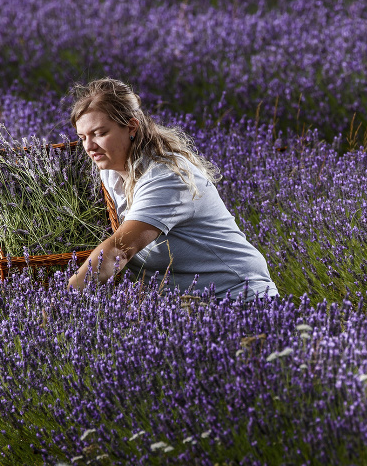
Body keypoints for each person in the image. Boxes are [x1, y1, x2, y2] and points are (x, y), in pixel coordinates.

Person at [64, 77, 278, 301]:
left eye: (99, 133)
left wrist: (59, 304)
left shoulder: (166, 177)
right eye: (82, 137)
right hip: (182, 306)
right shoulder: (109, 168)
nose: (88, 146)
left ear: (131, 127)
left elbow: (118, 251)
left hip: (238, 298)